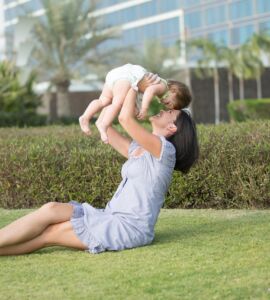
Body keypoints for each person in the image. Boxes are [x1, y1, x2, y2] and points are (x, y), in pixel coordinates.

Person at [0, 83, 199, 256]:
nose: (164, 110)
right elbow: (104, 126)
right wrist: (115, 94)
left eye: (171, 112)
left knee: (50, 234)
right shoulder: (140, 150)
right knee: (51, 209)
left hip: (129, 228)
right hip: (108, 215)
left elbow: (125, 120)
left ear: (172, 128)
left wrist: (135, 82)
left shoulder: (166, 151)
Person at [79, 63, 192, 143]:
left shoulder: (163, 88)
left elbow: (140, 92)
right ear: (174, 92)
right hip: (128, 77)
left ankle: (86, 116)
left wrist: (137, 109)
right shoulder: (163, 87)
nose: (165, 104)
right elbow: (149, 90)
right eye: (169, 104)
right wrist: (144, 108)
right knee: (117, 103)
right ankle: (103, 125)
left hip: (118, 75)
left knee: (103, 100)